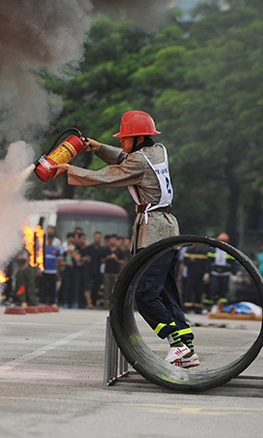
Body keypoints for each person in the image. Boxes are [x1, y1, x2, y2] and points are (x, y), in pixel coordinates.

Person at [53, 109, 198, 368]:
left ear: (139, 139)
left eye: (125, 137)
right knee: (166, 293)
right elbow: (126, 158)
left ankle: (176, 344)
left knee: (145, 294)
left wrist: (68, 169)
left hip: (153, 233)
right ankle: (187, 348)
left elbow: (107, 175)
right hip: (168, 230)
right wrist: (98, 148)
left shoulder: (139, 162)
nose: (121, 141)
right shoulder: (157, 151)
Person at [206, 232, 237, 307]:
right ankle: (212, 305)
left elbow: (233, 263)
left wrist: (234, 273)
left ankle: (222, 306)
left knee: (224, 290)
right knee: (213, 289)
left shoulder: (229, 251)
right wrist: (207, 273)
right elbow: (208, 262)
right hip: (215, 273)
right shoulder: (212, 250)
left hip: (225, 273)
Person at [101, 234, 126, 308]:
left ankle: (114, 304)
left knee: (115, 289)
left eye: (114, 239)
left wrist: (116, 259)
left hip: (116, 272)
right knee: (106, 289)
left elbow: (123, 262)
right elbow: (101, 260)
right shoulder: (105, 250)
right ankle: (105, 303)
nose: (113, 241)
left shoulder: (120, 251)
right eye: (111, 239)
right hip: (107, 272)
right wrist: (107, 258)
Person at [84, 231, 107, 309]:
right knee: (87, 286)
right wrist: (86, 259)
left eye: (99, 238)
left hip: (98, 270)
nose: (97, 239)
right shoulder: (88, 248)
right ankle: (88, 302)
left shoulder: (102, 249)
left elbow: (104, 259)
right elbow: (83, 257)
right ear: (94, 238)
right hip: (88, 269)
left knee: (96, 287)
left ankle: (93, 302)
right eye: (96, 237)